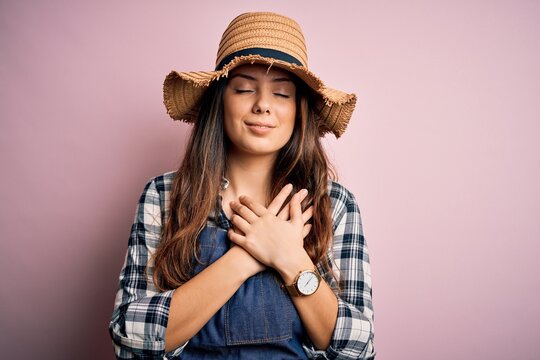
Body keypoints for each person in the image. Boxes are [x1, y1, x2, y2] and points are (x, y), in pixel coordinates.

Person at [109, 11, 375, 360]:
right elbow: (130, 340)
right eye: (245, 88)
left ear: (299, 111)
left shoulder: (333, 204)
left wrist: (291, 259)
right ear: (220, 101)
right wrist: (248, 256)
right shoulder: (164, 196)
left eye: (282, 94)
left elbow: (358, 350)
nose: (263, 105)